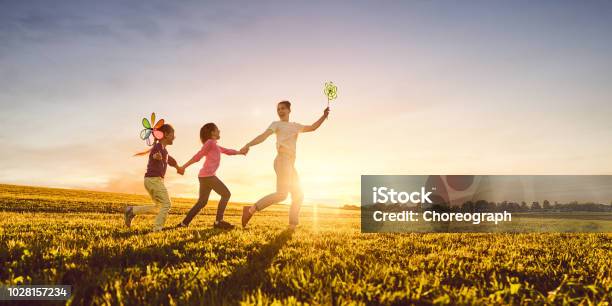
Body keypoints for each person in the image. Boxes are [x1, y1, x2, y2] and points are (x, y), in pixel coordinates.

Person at [240, 101, 329, 229]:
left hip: (290, 163)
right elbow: (263, 136)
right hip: (282, 160)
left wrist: (324, 116)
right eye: (278, 109)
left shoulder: (295, 126)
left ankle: (292, 226)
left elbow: (313, 127)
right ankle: (250, 210)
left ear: (289, 110)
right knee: (282, 194)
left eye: (283, 108)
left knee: (298, 194)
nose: (280, 111)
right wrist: (248, 145)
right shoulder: (276, 124)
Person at [177, 123, 248, 229]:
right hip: (208, 176)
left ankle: (183, 224)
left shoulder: (215, 145)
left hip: (204, 176)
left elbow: (228, 151)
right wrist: (184, 166)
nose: (219, 131)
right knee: (226, 194)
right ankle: (219, 222)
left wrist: (240, 152)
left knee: (202, 202)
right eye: (217, 129)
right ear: (212, 132)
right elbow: (198, 156)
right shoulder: (210, 143)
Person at [124, 124, 181, 231]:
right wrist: (156, 156)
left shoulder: (164, 150)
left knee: (159, 207)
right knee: (167, 204)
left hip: (152, 180)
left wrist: (178, 167)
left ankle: (131, 211)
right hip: (154, 180)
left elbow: (170, 160)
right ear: (166, 135)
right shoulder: (158, 147)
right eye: (173, 134)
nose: (174, 137)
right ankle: (157, 229)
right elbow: (155, 153)